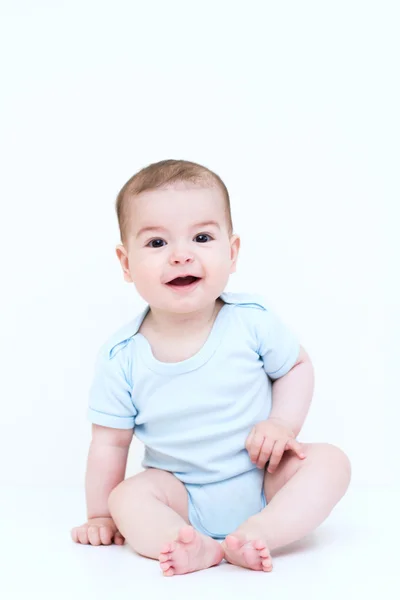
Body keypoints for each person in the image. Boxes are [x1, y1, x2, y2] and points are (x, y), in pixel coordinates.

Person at [71, 159, 351, 576]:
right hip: (179, 495)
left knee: (331, 462)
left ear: (232, 252)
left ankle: (260, 532)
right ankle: (186, 545)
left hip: (264, 477)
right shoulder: (122, 357)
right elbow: (109, 444)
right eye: (156, 244)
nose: (181, 255)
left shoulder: (250, 320)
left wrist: (281, 425)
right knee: (127, 497)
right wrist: (102, 517)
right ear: (126, 263)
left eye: (202, 237)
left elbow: (296, 366)